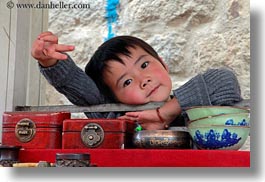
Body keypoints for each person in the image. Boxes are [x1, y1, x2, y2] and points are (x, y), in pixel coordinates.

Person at [31, 31, 242, 130]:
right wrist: (51, 62)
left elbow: (224, 79)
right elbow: (76, 85)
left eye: (144, 65)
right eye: (126, 82)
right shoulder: (116, 118)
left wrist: (164, 113)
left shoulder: (197, 105)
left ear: (163, 63)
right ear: (111, 99)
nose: (143, 80)